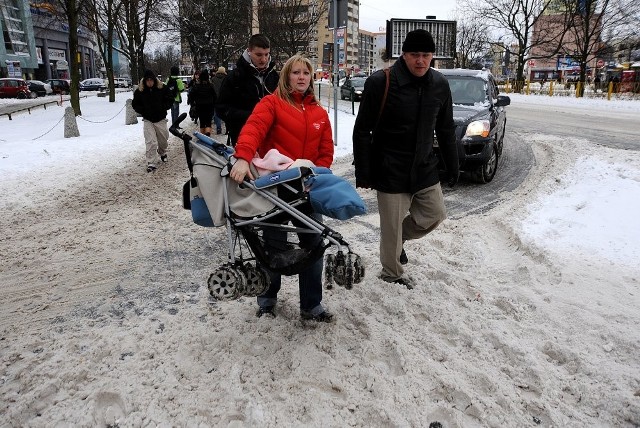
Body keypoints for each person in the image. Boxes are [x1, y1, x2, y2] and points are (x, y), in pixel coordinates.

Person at [229, 54, 335, 322]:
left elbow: (325, 153)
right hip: (274, 189)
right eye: (296, 72)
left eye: (306, 73)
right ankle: (266, 300)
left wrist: (316, 177)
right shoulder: (271, 103)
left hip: (306, 190)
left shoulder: (319, 113)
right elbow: (253, 128)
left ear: (311, 78)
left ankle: (311, 305)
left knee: (314, 245)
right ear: (287, 75)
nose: (301, 77)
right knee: (271, 246)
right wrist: (243, 157)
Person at [352, 29, 459, 289]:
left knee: (435, 215)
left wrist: (453, 164)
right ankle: (392, 274)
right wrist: (364, 172)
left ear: (433, 56)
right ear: (404, 54)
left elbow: (445, 128)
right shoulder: (381, 82)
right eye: (414, 55)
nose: (420, 60)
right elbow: (362, 129)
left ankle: (397, 240)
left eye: (426, 55)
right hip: (390, 168)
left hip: (423, 167)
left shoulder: (439, 84)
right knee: (390, 228)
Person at [216, 34, 279, 146]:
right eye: (259, 55)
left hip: (272, 136)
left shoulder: (274, 76)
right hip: (243, 135)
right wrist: (250, 116)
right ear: (249, 51)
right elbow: (221, 109)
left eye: (266, 54)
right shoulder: (234, 77)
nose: (263, 59)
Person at [132, 69, 174, 172]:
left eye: (151, 80)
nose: (150, 82)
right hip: (148, 120)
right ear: (145, 81)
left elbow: (170, 99)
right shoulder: (140, 91)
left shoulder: (162, 88)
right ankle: (151, 162)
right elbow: (135, 104)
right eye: (148, 80)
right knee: (151, 141)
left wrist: (164, 107)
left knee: (163, 139)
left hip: (160, 119)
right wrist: (142, 110)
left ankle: (162, 152)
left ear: (154, 80)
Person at [187, 69, 216, 136]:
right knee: (208, 121)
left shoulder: (196, 86)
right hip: (209, 106)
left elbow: (191, 95)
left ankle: (203, 136)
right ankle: (208, 134)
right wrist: (214, 103)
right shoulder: (211, 86)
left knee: (202, 121)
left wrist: (193, 103)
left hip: (199, 106)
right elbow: (215, 96)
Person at [211, 66, 227, 134]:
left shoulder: (213, 79)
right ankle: (227, 129)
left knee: (216, 113)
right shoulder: (226, 79)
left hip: (215, 98)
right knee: (226, 113)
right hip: (224, 98)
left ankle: (219, 128)